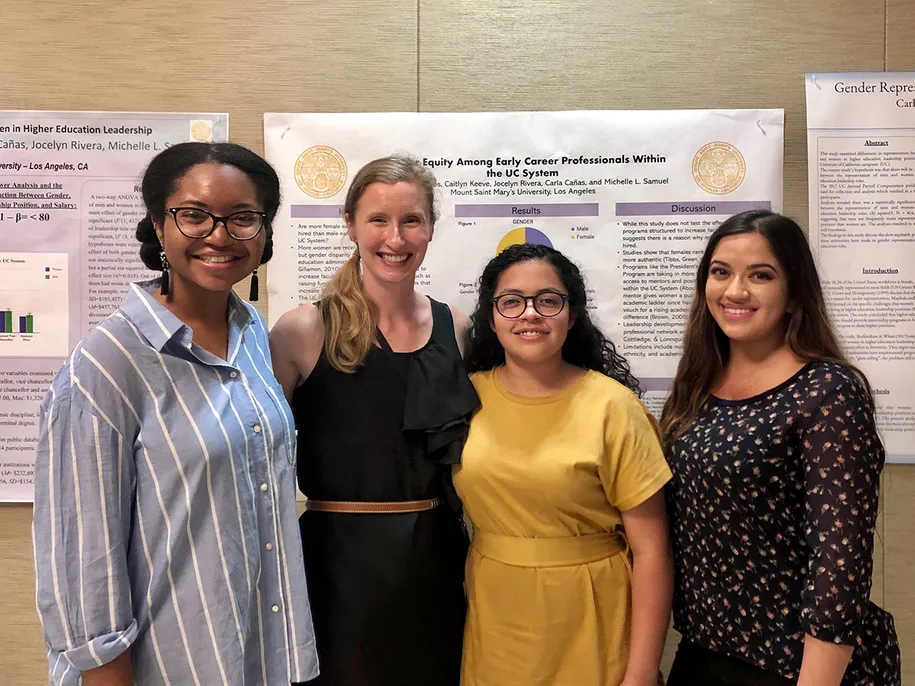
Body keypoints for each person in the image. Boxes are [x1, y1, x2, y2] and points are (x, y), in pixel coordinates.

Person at [32, 142, 318, 686]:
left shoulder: (254, 334)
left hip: (261, 655)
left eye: (243, 218)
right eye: (193, 215)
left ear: (265, 233)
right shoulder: (107, 363)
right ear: (159, 227)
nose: (219, 235)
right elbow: (81, 554)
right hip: (168, 665)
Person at [661, 210, 901, 686]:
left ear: (794, 295)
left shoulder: (827, 391)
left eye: (761, 276)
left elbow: (840, 566)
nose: (734, 291)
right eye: (721, 272)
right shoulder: (698, 383)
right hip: (707, 650)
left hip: (798, 665)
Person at [270, 154, 479, 686]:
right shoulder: (303, 330)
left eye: (411, 220)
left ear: (431, 228)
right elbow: (257, 453)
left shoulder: (455, 327)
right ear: (350, 225)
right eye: (378, 220)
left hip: (437, 554)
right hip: (339, 563)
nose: (396, 237)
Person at [455, 243, 673, 686]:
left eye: (548, 300)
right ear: (492, 316)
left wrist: (642, 671)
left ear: (571, 315)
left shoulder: (614, 407)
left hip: (592, 616)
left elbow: (652, 550)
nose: (529, 314)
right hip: (495, 617)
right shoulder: (462, 399)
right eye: (511, 301)